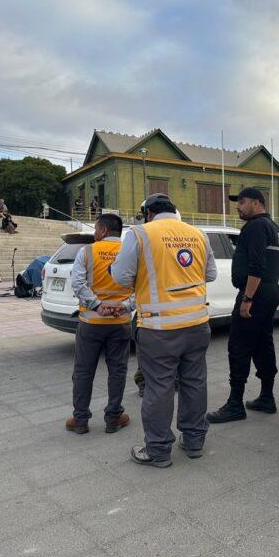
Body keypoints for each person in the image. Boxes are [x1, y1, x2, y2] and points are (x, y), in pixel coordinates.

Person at [111, 193, 217, 468]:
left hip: (159, 328)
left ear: (148, 213)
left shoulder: (140, 234)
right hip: (197, 324)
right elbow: (210, 274)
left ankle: (158, 450)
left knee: (159, 387)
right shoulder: (198, 233)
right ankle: (194, 442)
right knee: (194, 382)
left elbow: (122, 277)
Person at [206, 187, 279, 424]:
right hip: (269, 292)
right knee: (262, 343)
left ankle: (235, 404)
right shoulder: (272, 227)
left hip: (256, 294)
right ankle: (266, 397)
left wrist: (247, 299)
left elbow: (257, 266)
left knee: (238, 346)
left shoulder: (256, 226)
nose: (237, 206)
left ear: (257, 203)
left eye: (242, 201)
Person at [66, 213, 134, 435]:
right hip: (120, 322)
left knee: (84, 371)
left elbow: (77, 283)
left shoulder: (87, 251)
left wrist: (97, 305)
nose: (95, 233)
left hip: (91, 323)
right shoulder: (131, 252)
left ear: (103, 230)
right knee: (117, 371)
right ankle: (114, 417)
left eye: (96, 229)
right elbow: (141, 288)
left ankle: (80, 420)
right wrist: (123, 306)